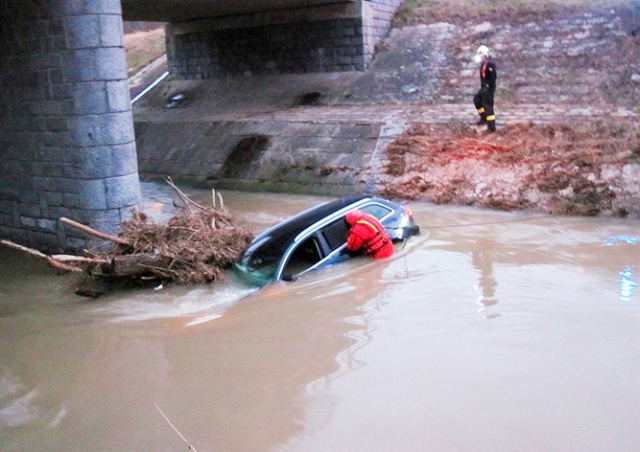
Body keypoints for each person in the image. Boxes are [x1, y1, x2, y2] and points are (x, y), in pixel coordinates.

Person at [473, 44, 497, 132]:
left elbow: (493, 77)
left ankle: (491, 127)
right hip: (484, 88)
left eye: (481, 55)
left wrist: (487, 86)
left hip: (489, 88)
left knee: (488, 106)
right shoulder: (483, 64)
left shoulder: (490, 63)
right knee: (477, 100)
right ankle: (483, 118)